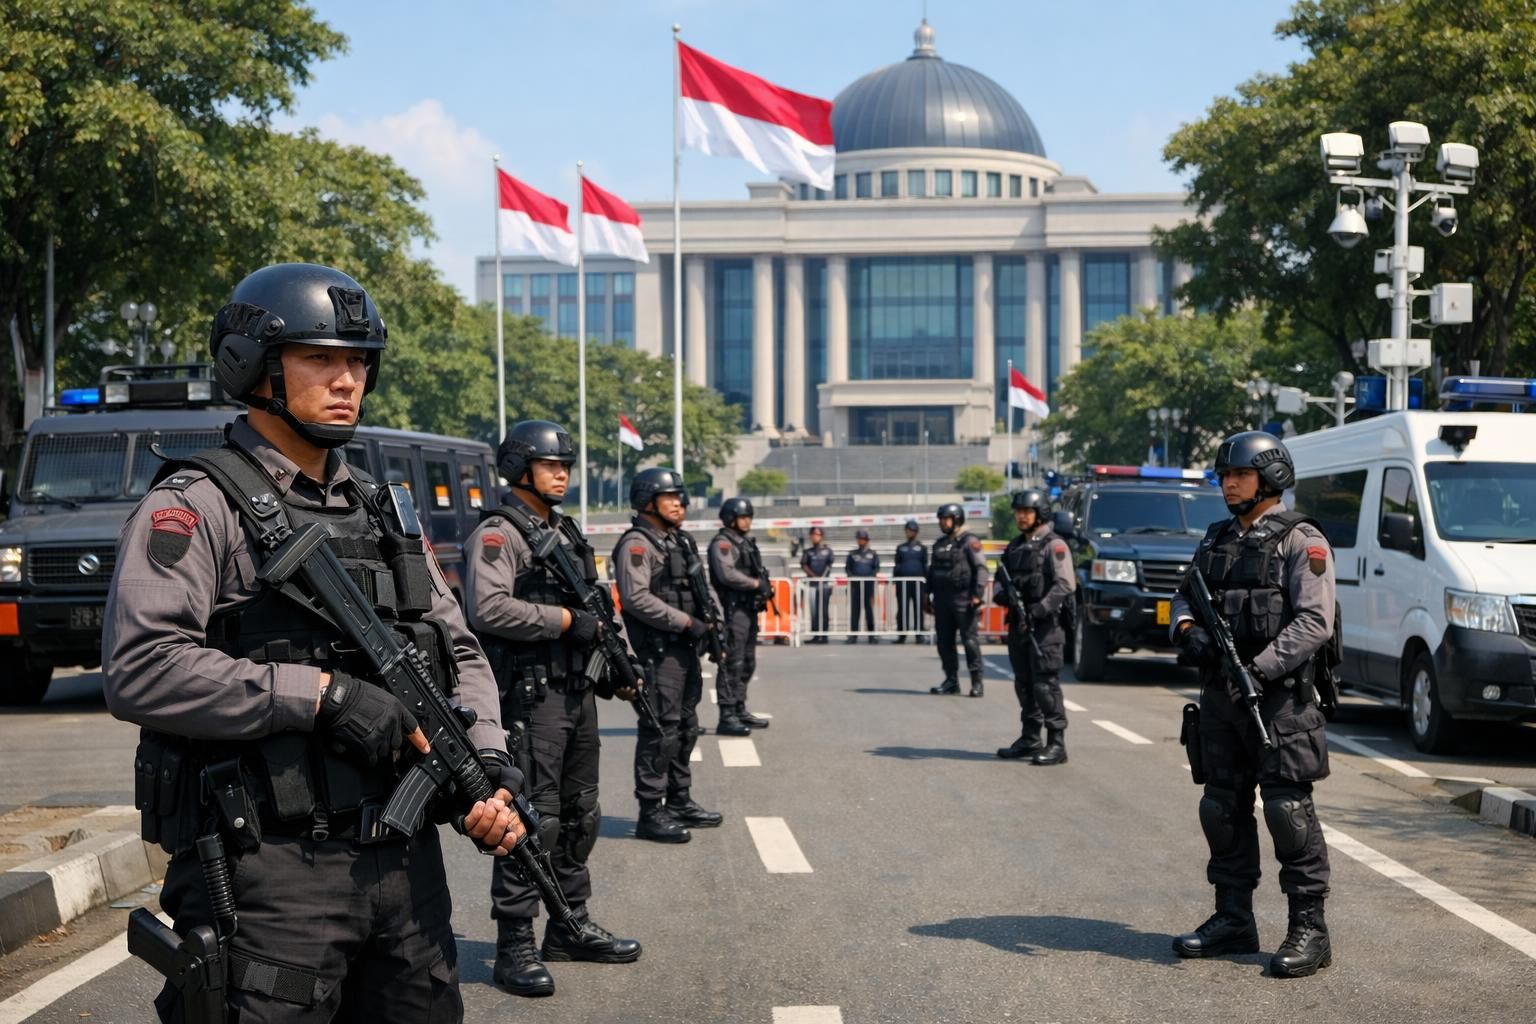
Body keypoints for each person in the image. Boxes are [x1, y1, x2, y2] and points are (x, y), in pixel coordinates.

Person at [103, 263, 524, 1022]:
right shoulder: (196, 506)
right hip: (271, 873)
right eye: (321, 359)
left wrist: (485, 763)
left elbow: (457, 649)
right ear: (256, 368)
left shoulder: (381, 510)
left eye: (359, 362)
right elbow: (142, 669)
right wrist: (322, 698)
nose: (347, 381)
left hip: (402, 871)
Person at [465, 420, 641, 998]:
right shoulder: (501, 533)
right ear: (519, 469)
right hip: (531, 699)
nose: (562, 472)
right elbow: (487, 607)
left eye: (566, 463)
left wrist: (619, 661)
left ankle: (569, 925)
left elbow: (598, 605)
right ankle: (515, 940)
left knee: (580, 811)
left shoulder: (563, 531)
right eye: (550, 464)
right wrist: (566, 622)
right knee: (532, 818)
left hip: (575, 693)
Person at [1170, 431, 1336, 978]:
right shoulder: (1216, 538)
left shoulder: (1301, 540)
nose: (1227, 484)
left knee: (1288, 812)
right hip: (1221, 701)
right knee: (1221, 808)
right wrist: (1188, 629)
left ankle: (1309, 930)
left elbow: (1315, 622)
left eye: (1238, 475)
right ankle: (1233, 919)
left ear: (1270, 479)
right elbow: (1182, 597)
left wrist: (1260, 671)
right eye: (1223, 476)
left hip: (1279, 702)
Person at [613, 468, 723, 843]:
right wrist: (684, 622)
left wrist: (711, 625)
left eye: (681, 496)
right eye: (670, 497)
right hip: (658, 654)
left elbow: (701, 589)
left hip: (683, 650)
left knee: (686, 727)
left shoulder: (679, 541)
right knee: (660, 731)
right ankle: (650, 811)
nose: (680, 503)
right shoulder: (638, 545)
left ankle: (679, 799)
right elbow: (636, 598)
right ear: (647, 502)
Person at [995, 490, 1075, 765]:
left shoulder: (1054, 545)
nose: (1021, 516)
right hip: (1018, 625)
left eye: (1026, 511)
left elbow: (1065, 585)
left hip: (1046, 627)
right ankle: (1030, 738)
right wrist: (1003, 596)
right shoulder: (1015, 546)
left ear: (1039, 513)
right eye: (1018, 511)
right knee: (1024, 684)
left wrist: (1038, 610)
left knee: (1045, 685)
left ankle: (1056, 743)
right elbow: (999, 580)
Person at [708, 497, 772, 736]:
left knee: (747, 661)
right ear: (730, 518)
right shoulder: (723, 544)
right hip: (732, 611)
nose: (747, 521)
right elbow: (727, 574)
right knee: (732, 661)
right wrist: (756, 583)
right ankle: (727, 714)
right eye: (743, 516)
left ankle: (739, 706)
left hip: (748, 609)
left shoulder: (744, 542)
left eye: (749, 517)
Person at [926, 503, 989, 697]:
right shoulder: (939, 544)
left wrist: (977, 594)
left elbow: (981, 569)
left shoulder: (969, 542)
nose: (943, 522)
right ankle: (951, 680)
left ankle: (976, 681)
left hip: (964, 599)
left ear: (957, 520)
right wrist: (925, 596)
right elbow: (932, 572)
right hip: (942, 600)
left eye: (947, 519)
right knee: (944, 642)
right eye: (941, 519)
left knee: (969, 641)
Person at [893, 519, 929, 643]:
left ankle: (919, 635)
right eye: (908, 530)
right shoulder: (901, 548)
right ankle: (902, 635)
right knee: (902, 609)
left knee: (918, 609)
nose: (910, 533)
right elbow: (897, 565)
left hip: (918, 584)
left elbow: (925, 566)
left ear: (916, 532)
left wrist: (927, 584)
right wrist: (896, 582)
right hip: (903, 584)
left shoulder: (922, 548)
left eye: (912, 530)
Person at [799, 526, 835, 644]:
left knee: (823, 610)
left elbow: (829, 565)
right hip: (812, 585)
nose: (815, 537)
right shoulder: (808, 552)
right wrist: (814, 577)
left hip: (824, 585)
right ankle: (815, 635)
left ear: (821, 536)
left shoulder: (828, 551)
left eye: (817, 535)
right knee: (814, 610)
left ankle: (824, 635)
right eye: (813, 535)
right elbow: (804, 565)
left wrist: (822, 578)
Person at [845, 529, 881, 643]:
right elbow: (847, 568)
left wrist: (869, 578)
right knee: (855, 611)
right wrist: (853, 578)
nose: (860, 540)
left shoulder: (873, 554)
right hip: (855, 586)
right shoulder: (852, 554)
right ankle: (853, 635)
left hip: (868, 586)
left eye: (863, 538)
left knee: (869, 610)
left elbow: (876, 568)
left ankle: (871, 635)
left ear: (867, 540)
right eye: (859, 538)